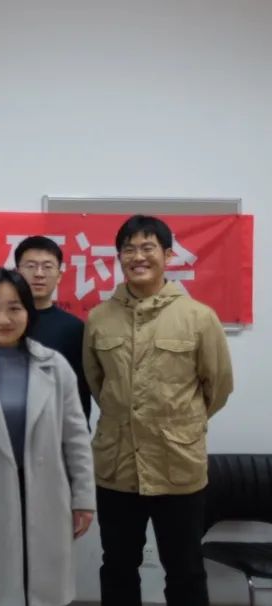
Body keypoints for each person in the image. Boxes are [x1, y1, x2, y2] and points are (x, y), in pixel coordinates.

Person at [84, 215, 233, 606]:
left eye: (147, 247)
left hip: (177, 465)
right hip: (117, 467)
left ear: (168, 255)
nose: (138, 256)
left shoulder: (198, 317)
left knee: (185, 569)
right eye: (129, 249)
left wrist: (179, 425)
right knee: (117, 566)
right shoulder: (99, 318)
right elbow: (98, 384)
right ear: (119, 257)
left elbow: (217, 387)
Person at [0, 268, 95, 606]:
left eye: (14, 308)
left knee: (46, 592)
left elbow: (76, 439)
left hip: (48, 493)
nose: (4, 319)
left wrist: (84, 497)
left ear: (29, 311)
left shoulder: (55, 367)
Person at [13, 236, 92, 420]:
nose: (39, 274)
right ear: (17, 272)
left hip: (55, 429)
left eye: (47, 267)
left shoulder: (74, 328)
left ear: (59, 276)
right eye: (31, 266)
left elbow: (80, 391)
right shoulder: (3, 323)